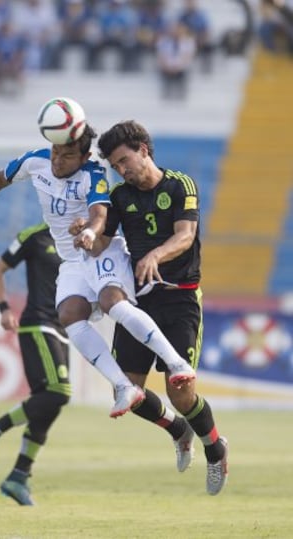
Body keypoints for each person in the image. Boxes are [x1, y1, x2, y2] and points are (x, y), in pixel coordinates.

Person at [0, 114, 194, 420]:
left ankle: (177, 363)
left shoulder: (95, 173)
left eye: (67, 155)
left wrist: (89, 231)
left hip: (102, 250)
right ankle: (121, 386)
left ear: (84, 157)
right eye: (55, 152)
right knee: (69, 314)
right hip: (72, 259)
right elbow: (1, 178)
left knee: (110, 301)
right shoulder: (35, 161)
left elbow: (99, 214)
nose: (57, 161)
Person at [94, 120, 228, 496]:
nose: (122, 170)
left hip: (181, 298)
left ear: (143, 150)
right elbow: (102, 242)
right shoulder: (120, 197)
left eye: (124, 160)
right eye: (115, 166)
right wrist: (84, 234)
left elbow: (185, 236)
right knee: (129, 392)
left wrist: (155, 253)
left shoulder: (180, 185)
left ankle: (215, 449)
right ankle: (177, 430)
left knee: (180, 391)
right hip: (139, 303)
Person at [0, 223, 70, 506]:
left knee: (48, 405)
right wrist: (4, 309)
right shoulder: (34, 236)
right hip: (37, 324)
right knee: (58, 393)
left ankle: (18, 476)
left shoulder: (85, 235)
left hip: (64, 328)